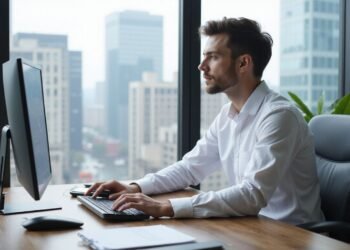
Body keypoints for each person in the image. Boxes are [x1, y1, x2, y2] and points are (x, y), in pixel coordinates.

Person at [87, 17, 324, 224]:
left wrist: (165, 207)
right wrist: (136, 187)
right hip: (251, 227)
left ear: (243, 63)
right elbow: (191, 168)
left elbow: (253, 195)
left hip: (290, 236)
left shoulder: (279, 116)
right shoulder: (228, 115)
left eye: (213, 57)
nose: (201, 66)